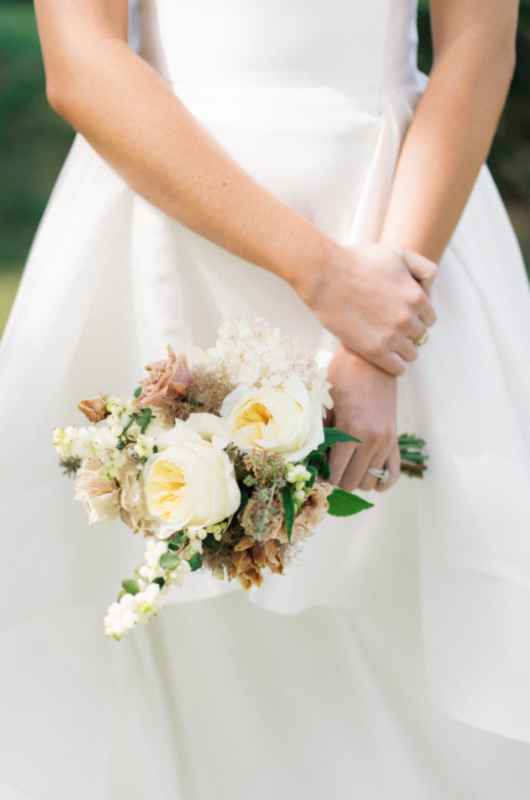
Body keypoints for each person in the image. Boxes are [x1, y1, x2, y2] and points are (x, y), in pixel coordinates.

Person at [1, 0, 530, 798]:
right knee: (158, 646)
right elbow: (81, 62)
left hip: (399, 218)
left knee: (410, 643)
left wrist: (377, 334)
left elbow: (480, 45)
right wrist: (323, 276)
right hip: (164, 224)